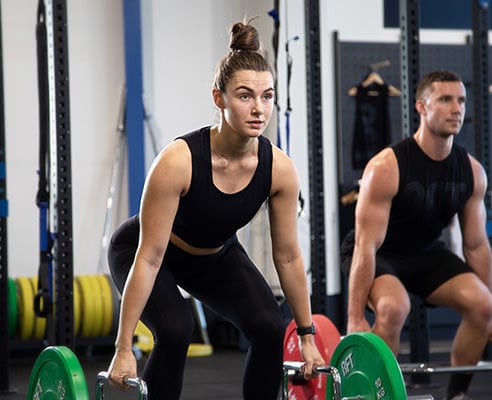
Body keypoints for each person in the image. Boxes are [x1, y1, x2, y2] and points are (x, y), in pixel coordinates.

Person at [106, 18, 325, 400]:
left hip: (215, 255)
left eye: (268, 96)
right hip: (145, 250)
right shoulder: (178, 161)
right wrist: (124, 348)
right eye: (244, 95)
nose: (259, 108)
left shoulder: (280, 170)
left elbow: (288, 257)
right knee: (175, 330)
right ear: (219, 98)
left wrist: (306, 336)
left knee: (270, 326)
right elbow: (150, 256)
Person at [340, 70, 492, 400]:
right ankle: (383, 394)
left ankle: (457, 396)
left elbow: (477, 245)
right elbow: (367, 244)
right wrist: (354, 319)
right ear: (421, 107)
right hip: (379, 254)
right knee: (394, 307)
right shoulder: (386, 167)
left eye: (461, 100)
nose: (457, 108)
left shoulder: (472, 171)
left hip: (426, 253)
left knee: (483, 306)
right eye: (446, 99)